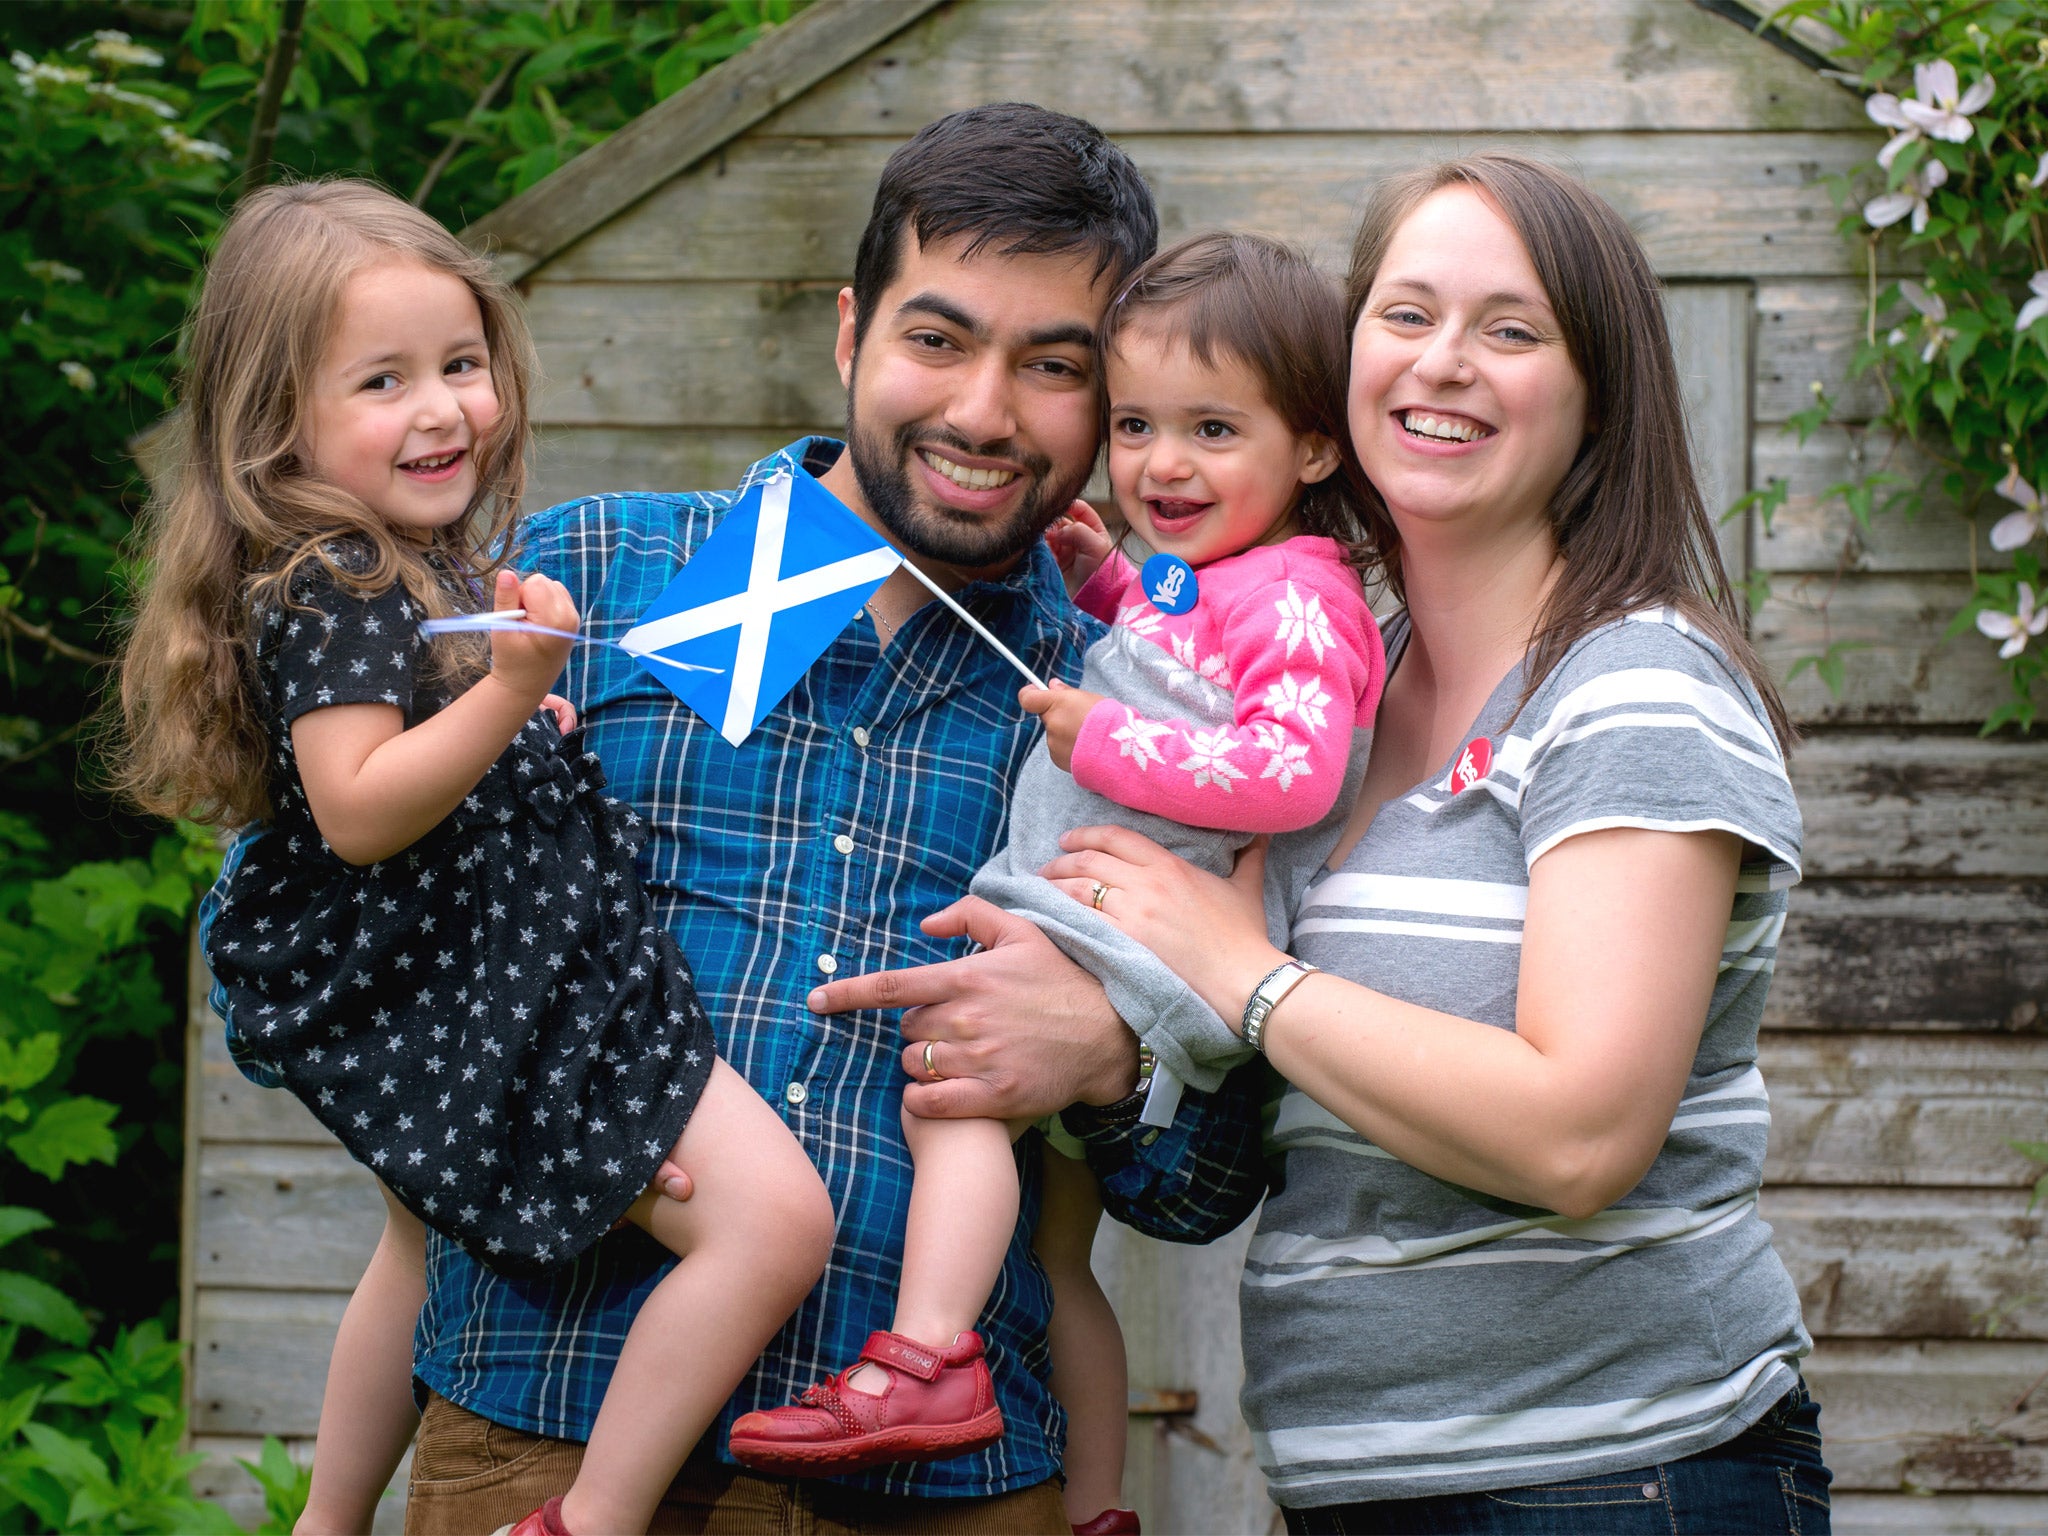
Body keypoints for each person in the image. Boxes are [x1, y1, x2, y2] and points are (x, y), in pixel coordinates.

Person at [394, 103, 1217, 1535]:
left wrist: (1107, 1056)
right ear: (852, 334)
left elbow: (1208, 1181)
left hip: (945, 1487)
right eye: (938, 339)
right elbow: (286, 927)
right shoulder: (592, 585)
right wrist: (493, 1069)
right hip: (549, 1428)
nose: (981, 411)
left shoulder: (1132, 705)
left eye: (1053, 368)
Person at [1020, 152, 1835, 1532]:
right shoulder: (1332, 698)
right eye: (1405, 316)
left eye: (1509, 330)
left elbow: (1580, 1136)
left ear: (1596, 394)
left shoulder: (1630, 684)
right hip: (1354, 1485)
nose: (1443, 363)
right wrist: (1101, 1044)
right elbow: (1241, 1166)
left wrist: (1247, 978)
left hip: (1613, 1479)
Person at [113, 180, 834, 1536]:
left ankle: (328, 1522)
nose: (443, 407)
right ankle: (595, 1514)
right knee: (774, 1225)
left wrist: (504, 718)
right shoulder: (339, 578)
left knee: (419, 1244)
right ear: (279, 427)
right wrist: (508, 694)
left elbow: (409, 753)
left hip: (442, 976)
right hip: (461, 988)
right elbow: (358, 806)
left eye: (459, 363)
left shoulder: (401, 561)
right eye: (383, 381)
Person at [730, 233, 1384, 1536]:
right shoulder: (1230, 570)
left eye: (1208, 427)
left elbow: (1294, 773)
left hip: (1123, 924)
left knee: (956, 1087)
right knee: (1054, 1246)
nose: (1162, 464)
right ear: (851, 330)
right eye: (1137, 425)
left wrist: (1104, 739)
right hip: (1105, 913)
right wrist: (1105, 580)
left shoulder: (1306, 596)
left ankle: (923, 1357)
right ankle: (1097, 1501)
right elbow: (1180, 642)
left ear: (1313, 446)